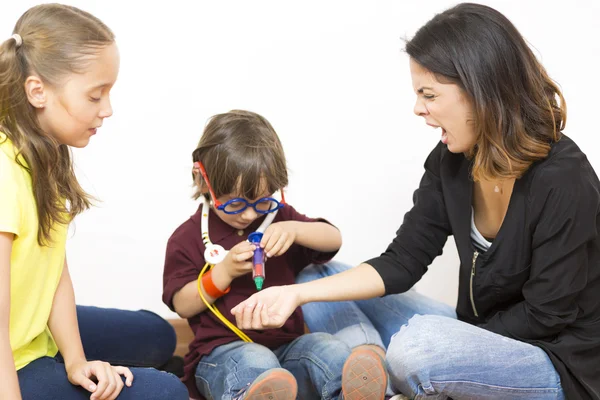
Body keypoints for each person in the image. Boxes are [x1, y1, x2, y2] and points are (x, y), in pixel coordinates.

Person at [231, 3, 600, 400]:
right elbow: (403, 261)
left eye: (429, 94)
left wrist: (453, 342)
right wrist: (295, 296)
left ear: (480, 89)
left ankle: (391, 371)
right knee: (314, 279)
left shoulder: (563, 178)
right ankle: (374, 379)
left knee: (420, 347)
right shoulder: (451, 162)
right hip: (467, 333)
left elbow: (546, 315)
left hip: (552, 363)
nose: (418, 108)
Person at [0, 4, 188, 399]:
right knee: (166, 391)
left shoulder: (43, 155)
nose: (107, 109)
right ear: (37, 91)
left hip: (31, 334)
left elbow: (54, 272)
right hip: (10, 357)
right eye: (95, 95)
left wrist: (75, 361)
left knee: (158, 335)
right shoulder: (4, 176)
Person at [162, 110, 388, 400]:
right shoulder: (187, 238)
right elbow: (182, 304)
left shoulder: (279, 219)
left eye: (261, 202)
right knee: (256, 360)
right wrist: (224, 272)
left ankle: (350, 392)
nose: (248, 214)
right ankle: (254, 393)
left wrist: (295, 229)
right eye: (233, 204)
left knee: (325, 347)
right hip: (220, 353)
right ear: (202, 179)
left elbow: (333, 240)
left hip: (287, 348)